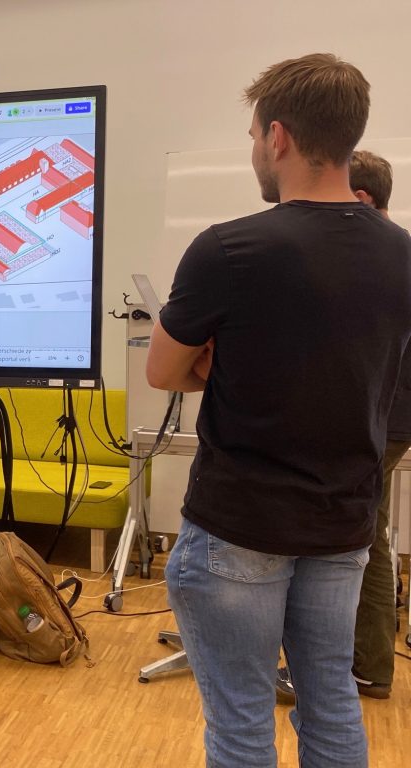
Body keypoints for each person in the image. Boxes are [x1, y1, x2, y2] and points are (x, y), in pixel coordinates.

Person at [147, 53, 411, 768]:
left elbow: (163, 370)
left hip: (239, 525)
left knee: (240, 723)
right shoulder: (402, 254)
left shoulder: (229, 249)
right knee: (331, 700)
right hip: (343, 524)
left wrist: (223, 361)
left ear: (279, 136)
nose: (255, 152)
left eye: (254, 136)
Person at [276, 149, 408, 703]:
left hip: (382, 416)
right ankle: (363, 666)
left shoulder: (378, 255)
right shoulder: (392, 252)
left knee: (361, 539)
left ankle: (356, 668)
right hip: (385, 415)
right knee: (367, 533)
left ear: (361, 197)